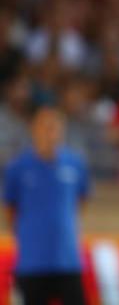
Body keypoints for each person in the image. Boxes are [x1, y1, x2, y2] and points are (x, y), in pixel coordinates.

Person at [3, 106, 90, 305]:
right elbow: (10, 209)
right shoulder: (18, 168)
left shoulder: (75, 164)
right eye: (45, 127)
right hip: (32, 264)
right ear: (34, 130)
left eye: (55, 128)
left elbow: (80, 202)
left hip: (68, 262)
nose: (50, 133)